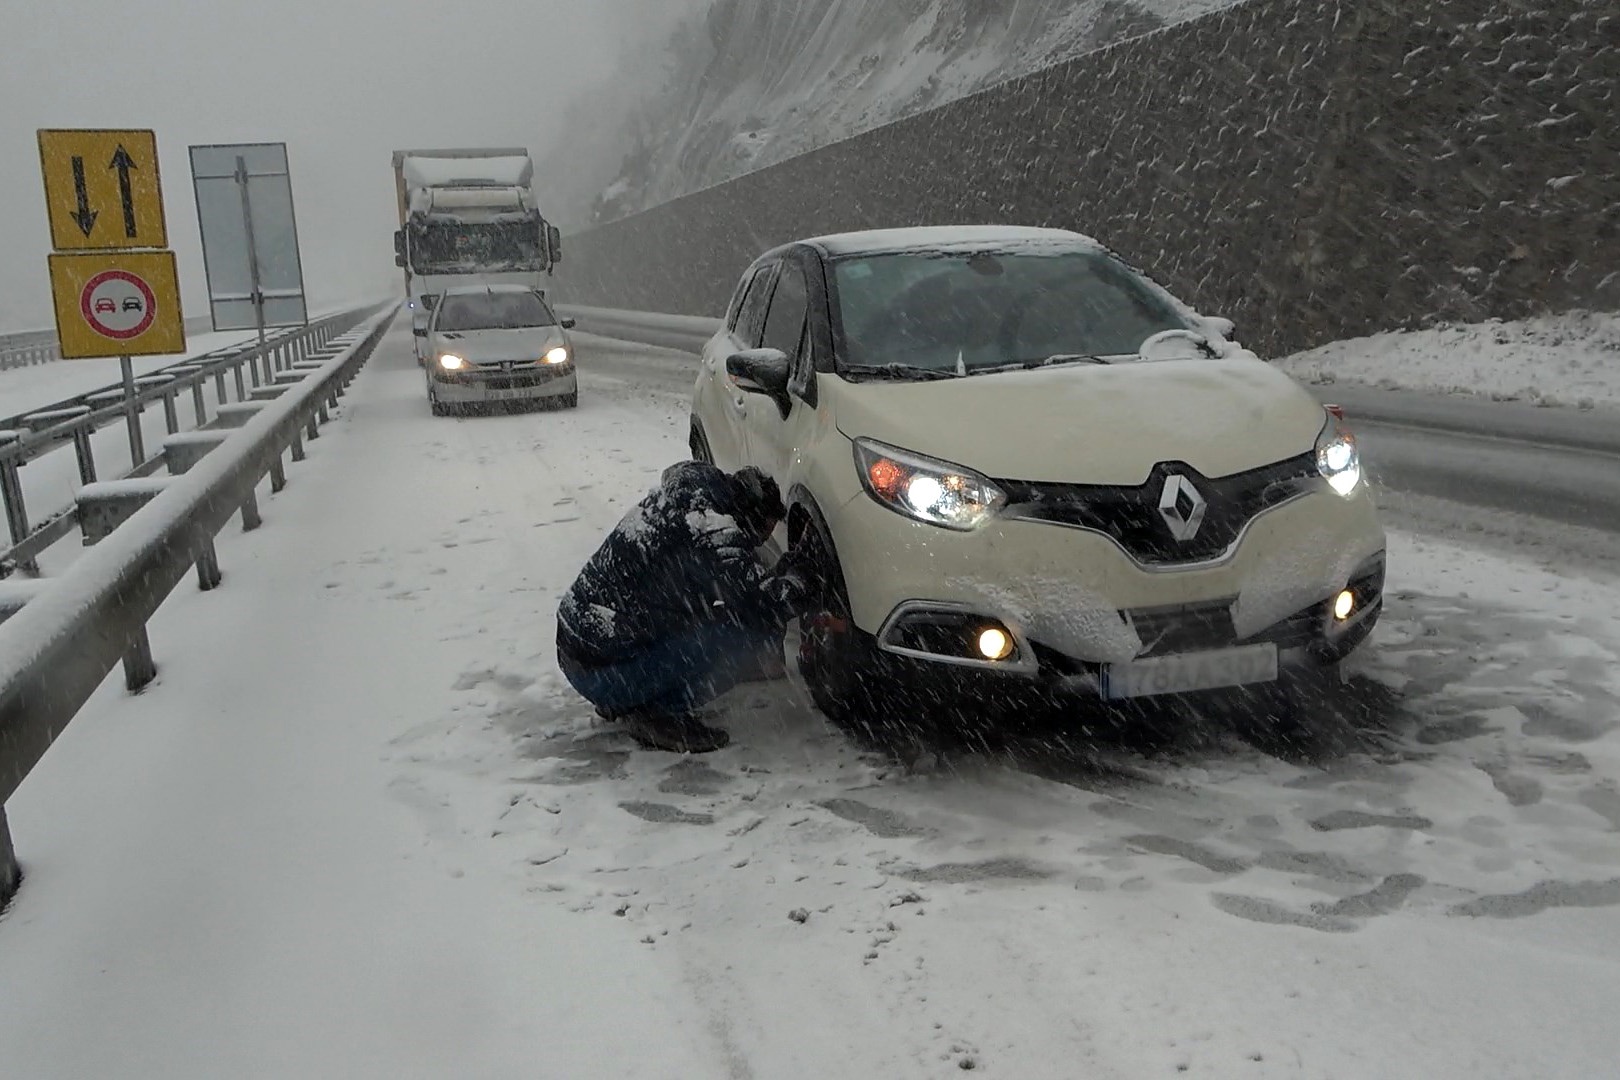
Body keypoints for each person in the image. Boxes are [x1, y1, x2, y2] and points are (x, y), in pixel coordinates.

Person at [556, 462, 815, 752]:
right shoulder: (712, 531)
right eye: (763, 531)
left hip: (578, 652)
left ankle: (626, 696)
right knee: (749, 635)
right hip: (604, 671)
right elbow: (764, 606)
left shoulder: (684, 503)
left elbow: (734, 586)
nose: (761, 542)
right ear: (751, 515)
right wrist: (804, 577)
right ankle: (654, 712)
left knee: (714, 615)